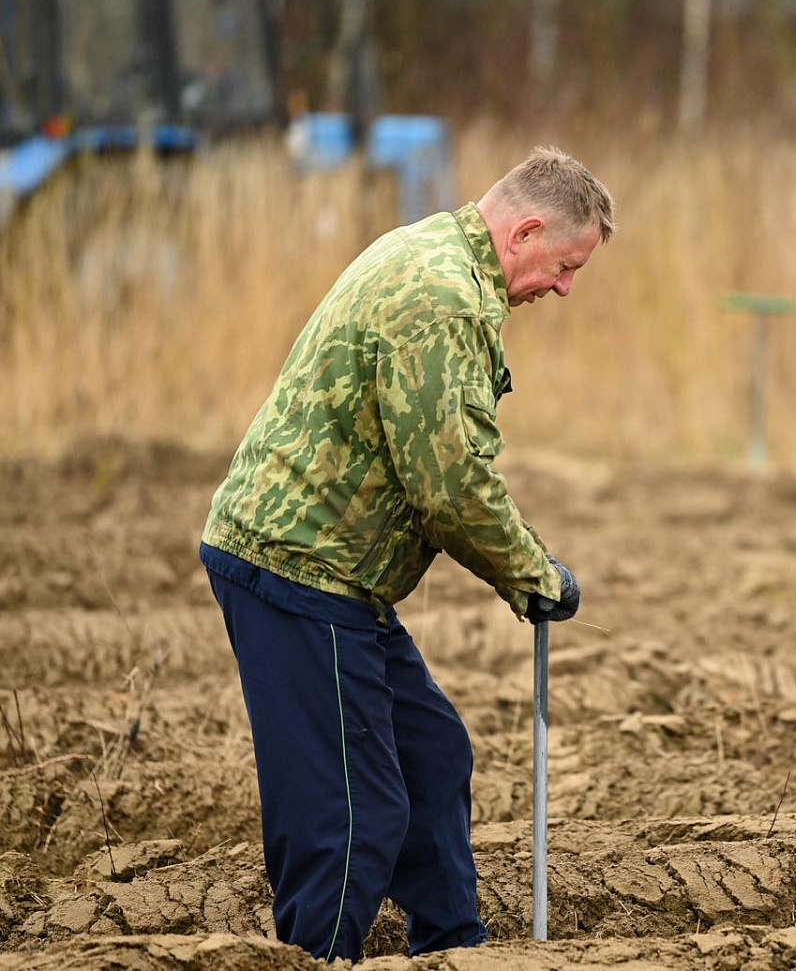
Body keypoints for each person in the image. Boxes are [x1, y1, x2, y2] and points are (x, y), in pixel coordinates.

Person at [198, 146, 613, 960]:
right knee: (352, 814)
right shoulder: (444, 298)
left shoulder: (434, 252)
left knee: (432, 757)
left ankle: (455, 947)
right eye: (566, 266)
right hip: (300, 568)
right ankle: (319, 957)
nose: (565, 288)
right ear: (526, 231)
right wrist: (535, 574)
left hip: (333, 573)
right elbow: (449, 484)